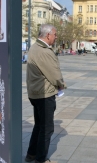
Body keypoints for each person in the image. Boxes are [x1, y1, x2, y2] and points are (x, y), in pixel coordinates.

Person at [25, 24, 66, 163]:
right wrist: (61, 85)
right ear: (48, 35)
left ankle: (31, 154)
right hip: (44, 95)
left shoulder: (34, 47)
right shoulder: (45, 51)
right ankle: (40, 159)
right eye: (55, 34)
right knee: (47, 128)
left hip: (34, 93)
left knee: (39, 125)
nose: (56, 37)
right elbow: (55, 75)